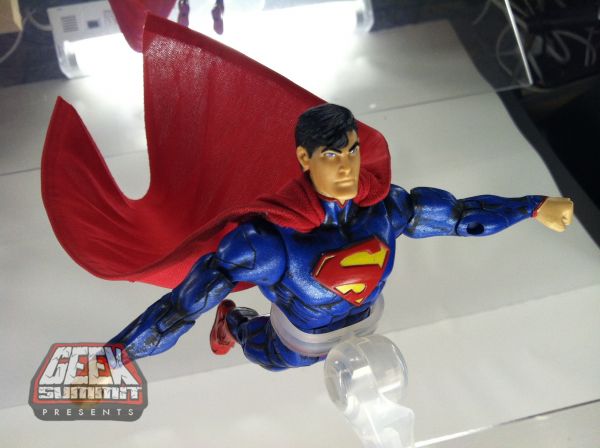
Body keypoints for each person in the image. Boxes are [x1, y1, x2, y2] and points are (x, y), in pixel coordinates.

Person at [109, 103, 573, 370]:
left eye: (352, 151)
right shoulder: (266, 242)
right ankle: (233, 323)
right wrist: (115, 358)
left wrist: (532, 206)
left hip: (366, 324)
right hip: (298, 340)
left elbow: (461, 216)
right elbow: (179, 309)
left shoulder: (386, 207)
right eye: (332, 155)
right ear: (305, 159)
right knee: (274, 360)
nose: (348, 166)